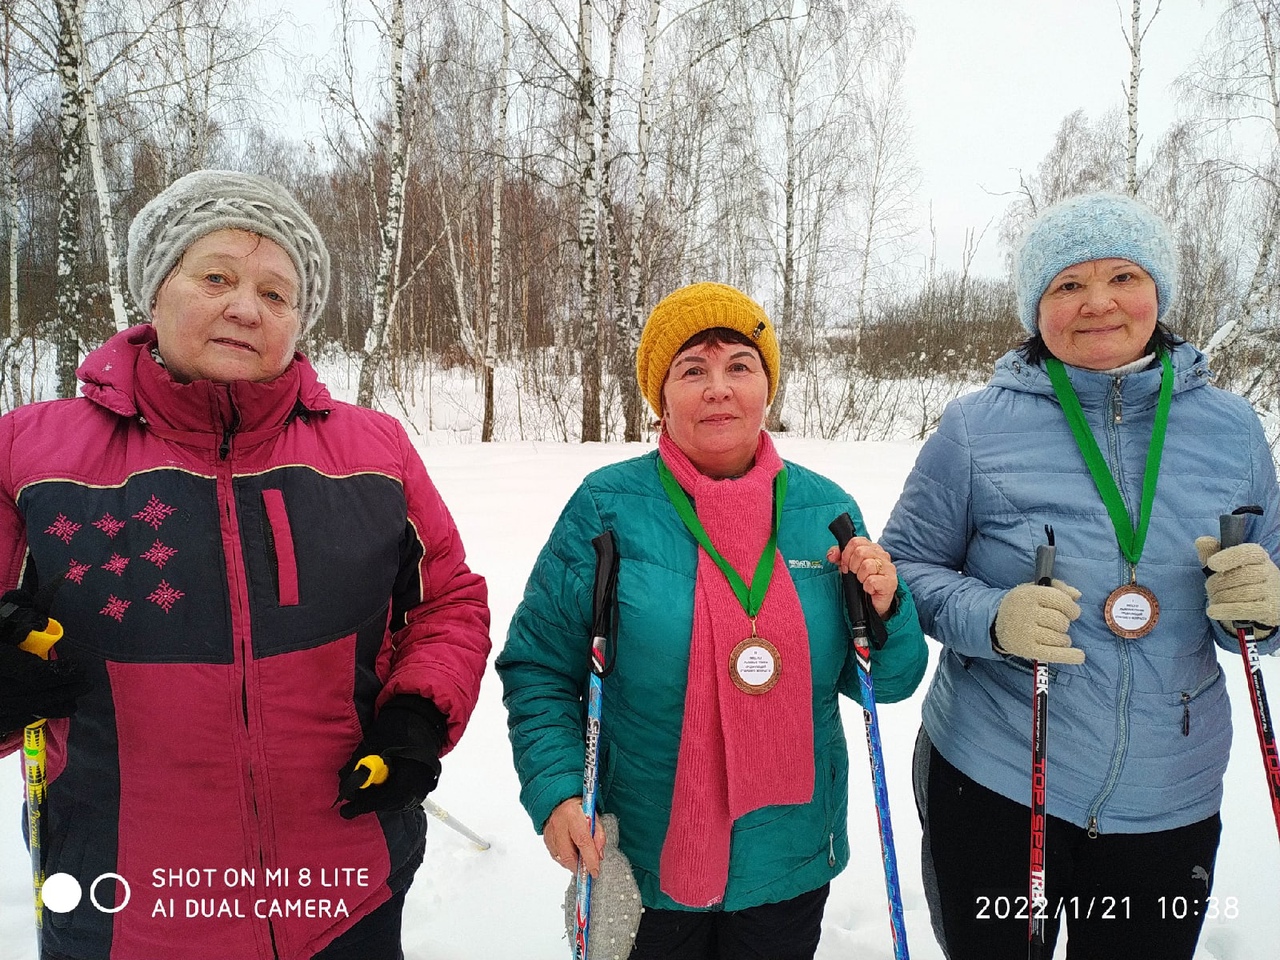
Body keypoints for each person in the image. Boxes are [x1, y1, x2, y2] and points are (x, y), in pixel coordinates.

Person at [0, 170, 491, 960]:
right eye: (217, 276)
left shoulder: (374, 453)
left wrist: (416, 717)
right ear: (156, 291)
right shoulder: (30, 452)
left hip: (344, 894)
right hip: (124, 913)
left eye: (277, 292)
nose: (246, 307)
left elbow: (448, 602)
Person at [879, 192, 1280, 959]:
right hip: (995, 775)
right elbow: (904, 569)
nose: (1098, 303)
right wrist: (993, 616)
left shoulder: (1232, 430)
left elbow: (1268, 579)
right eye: (1068, 285)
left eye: (1123, 276)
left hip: (1170, 792)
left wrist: (1267, 601)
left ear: (1158, 293)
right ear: (1037, 309)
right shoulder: (976, 428)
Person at [496, 281, 927, 960]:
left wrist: (887, 609)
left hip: (788, 857)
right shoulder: (606, 509)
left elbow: (890, 681)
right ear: (660, 396)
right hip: (644, 851)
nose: (718, 388)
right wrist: (555, 795)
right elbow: (540, 669)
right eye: (692, 370)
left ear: (767, 386)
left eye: (739, 366)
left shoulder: (826, 512)